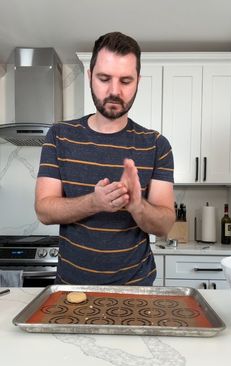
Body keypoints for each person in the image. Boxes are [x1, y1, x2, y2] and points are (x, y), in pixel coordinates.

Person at [35, 31, 175, 286]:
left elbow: (165, 224)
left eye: (125, 80)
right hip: (71, 289)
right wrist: (94, 202)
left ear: (138, 81)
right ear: (89, 77)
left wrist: (137, 205)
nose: (114, 90)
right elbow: (44, 210)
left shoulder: (156, 144)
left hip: (136, 291)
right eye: (104, 78)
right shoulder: (59, 136)